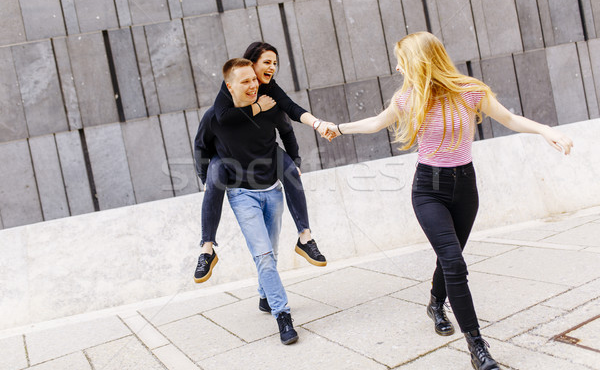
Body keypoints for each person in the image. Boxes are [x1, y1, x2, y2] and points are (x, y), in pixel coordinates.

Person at [326, 32, 573, 370]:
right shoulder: (407, 99)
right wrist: (339, 128)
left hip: (464, 186)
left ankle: (435, 303)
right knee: (454, 262)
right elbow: (376, 122)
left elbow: (510, 119)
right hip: (429, 189)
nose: (397, 67)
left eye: (401, 60)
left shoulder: (470, 91)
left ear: (418, 61)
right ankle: (478, 347)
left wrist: (547, 131)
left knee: (450, 257)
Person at [194, 42, 331, 284]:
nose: (272, 68)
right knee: (214, 178)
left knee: (291, 171)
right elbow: (215, 128)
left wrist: (303, 147)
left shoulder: (269, 92)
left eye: (275, 63)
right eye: (267, 62)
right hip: (228, 160)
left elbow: (290, 114)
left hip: (266, 156)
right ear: (251, 65)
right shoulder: (225, 97)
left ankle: (305, 237)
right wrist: (204, 177)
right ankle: (207, 249)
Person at [194, 58, 301, 344]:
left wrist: (295, 161)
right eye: (245, 81)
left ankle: (265, 298)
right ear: (229, 86)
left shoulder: (268, 108)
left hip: (273, 191)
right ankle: (283, 316)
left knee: (271, 253)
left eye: (253, 79)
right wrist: (209, 182)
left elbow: (288, 131)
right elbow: (201, 146)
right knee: (264, 257)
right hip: (242, 195)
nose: (252, 85)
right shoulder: (215, 117)